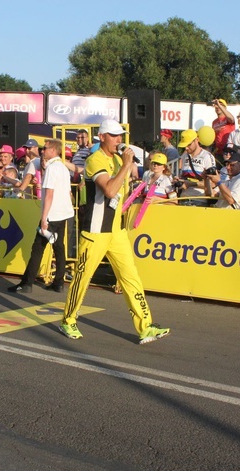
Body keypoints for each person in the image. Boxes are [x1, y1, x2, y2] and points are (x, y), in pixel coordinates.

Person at [60, 119, 170, 345]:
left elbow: (124, 191)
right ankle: (68, 319)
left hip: (116, 230)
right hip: (95, 231)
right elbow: (110, 190)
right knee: (82, 277)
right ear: (102, 137)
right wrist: (125, 166)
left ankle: (145, 326)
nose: (119, 140)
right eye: (114, 135)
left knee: (131, 277)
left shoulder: (120, 159)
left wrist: (131, 168)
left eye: (120, 136)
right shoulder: (94, 160)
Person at [9, 139, 74, 294]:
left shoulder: (52, 168)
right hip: (63, 212)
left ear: (53, 150)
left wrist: (44, 218)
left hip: (52, 213)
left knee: (38, 248)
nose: (42, 151)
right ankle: (58, 282)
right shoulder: (62, 168)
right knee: (59, 247)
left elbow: (49, 194)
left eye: (44, 148)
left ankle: (27, 283)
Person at [176, 129, 218, 206]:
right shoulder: (184, 156)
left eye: (189, 145)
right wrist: (178, 181)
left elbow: (213, 183)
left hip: (198, 200)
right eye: (184, 146)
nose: (186, 148)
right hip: (182, 199)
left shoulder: (207, 156)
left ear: (196, 140)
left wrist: (190, 184)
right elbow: (183, 177)